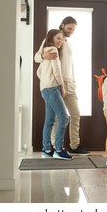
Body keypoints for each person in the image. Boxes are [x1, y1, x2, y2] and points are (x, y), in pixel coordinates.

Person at [36, 16, 90, 156]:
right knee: (56, 117)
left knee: (75, 114)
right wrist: (44, 57)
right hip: (56, 83)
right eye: (69, 28)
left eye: (73, 29)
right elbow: (37, 57)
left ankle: (74, 145)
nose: (71, 31)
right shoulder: (53, 41)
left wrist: (73, 81)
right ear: (62, 25)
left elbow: (69, 64)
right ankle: (54, 146)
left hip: (70, 82)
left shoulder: (69, 44)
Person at [35, 29, 72, 160]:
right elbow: (57, 71)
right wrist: (61, 86)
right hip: (52, 88)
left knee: (50, 120)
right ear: (51, 39)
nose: (60, 41)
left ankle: (46, 149)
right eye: (58, 38)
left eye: (62, 39)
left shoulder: (45, 52)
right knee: (64, 117)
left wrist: (45, 81)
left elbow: (38, 72)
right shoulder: (54, 51)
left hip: (45, 89)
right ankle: (59, 149)